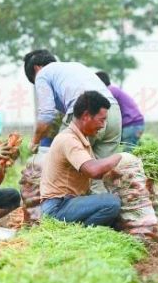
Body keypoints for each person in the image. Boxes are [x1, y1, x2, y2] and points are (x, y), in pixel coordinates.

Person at [40, 91, 122, 227]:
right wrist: (121, 157)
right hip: (57, 208)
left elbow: (99, 172)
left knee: (116, 214)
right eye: (101, 119)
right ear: (86, 116)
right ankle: (78, 232)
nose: (103, 125)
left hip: (68, 204)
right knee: (112, 203)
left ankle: (80, 230)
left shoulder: (81, 140)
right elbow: (93, 170)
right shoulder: (69, 139)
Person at [23, 50, 122, 159]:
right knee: (100, 169)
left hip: (86, 113)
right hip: (113, 112)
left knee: (59, 164)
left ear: (36, 68)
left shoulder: (42, 73)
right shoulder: (74, 66)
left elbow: (46, 114)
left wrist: (34, 142)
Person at [95, 71, 145, 152]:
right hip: (136, 124)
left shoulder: (109, 92)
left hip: (131, 125)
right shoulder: (113, 89)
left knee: (128, 153)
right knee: (132, 149)